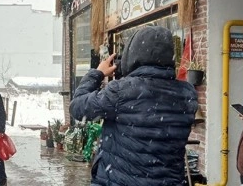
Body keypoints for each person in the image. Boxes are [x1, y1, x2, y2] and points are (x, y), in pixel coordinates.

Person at [70, 26, 198, 186]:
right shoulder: (187, 94)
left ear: (132, 54)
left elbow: (77, 107)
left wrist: (97, 73)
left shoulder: (121, 91)